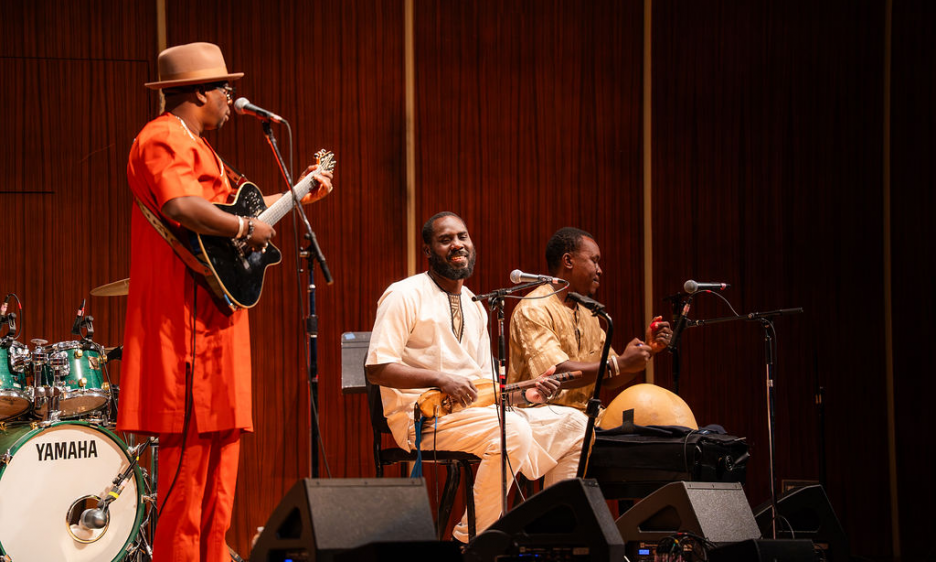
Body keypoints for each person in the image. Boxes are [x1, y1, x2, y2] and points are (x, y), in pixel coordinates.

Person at [116, 42, 333, 562]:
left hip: (217, 320)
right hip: (182, 325)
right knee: (187, 477)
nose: (230, 97)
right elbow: (182, 205)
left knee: (220, 474)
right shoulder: (161, 136)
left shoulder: (205, 147)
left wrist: (300, 193)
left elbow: (247, 217)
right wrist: (242, 225)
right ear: (198, 91)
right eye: (224, 88)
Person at [365, 212, 587, 544]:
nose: (457, 244)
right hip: (422, 420)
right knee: (512, 430)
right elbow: (377, 368)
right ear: (428, 250)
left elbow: (485, 391)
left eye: (463, 237)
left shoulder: (475, 305)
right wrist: (440, 379)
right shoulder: (404, 294)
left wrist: (528, 394)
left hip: (475, 416)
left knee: (576, 424)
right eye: (446, 239)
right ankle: (473, 542)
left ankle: (548, 535)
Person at [507, 227, 672, 415]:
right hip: (541, 416)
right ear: (568, 261)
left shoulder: (588, 314)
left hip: (582, 417)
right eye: (594, 261)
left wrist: (649, 350)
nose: (599, 270)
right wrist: (619, 364)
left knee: (651, 424)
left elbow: (609, 377)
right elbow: (556, 373)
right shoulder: (534, 308)